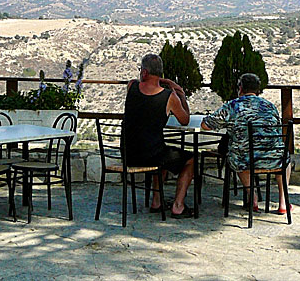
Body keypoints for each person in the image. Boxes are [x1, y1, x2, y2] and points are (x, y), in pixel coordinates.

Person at [201, 72, 290, 214]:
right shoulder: (270, 106)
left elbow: (206, 125)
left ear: (240, 88)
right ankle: (283, 202)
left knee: (238, 156)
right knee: (285, 159)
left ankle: (252, 196)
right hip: (273, 159)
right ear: (258, 89)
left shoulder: (232, 106)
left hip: (246, 160)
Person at [123, 53, 195, 218]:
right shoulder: (169, 97)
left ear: (144, 73)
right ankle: (178, 206)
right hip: (152, 155)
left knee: (163, 155)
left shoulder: (131, 87)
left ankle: (157, 202)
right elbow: (185, 120)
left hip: (129, 154)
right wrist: (180, 93)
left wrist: (154, 79)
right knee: (190, 159)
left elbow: (142, 84)